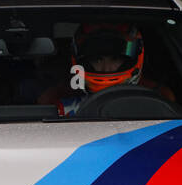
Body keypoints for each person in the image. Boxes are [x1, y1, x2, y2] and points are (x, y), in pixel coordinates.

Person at [38, 22, 172, 116]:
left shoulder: (159, 100)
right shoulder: (56, 104)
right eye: (97, 60)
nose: (106, 69)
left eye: (115, 59)